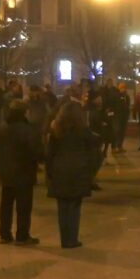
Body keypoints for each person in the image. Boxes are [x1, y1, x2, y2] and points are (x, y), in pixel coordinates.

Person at [46, 102, 97, 249]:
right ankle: (72, 239)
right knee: (74, 206)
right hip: (78, 171)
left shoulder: (56, 131)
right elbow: (93, 152)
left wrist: (50, 172)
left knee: (62, 207)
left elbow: (50, 154)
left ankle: (64, 238)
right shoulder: (83, 131)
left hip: (60, 170)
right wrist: (90, 171)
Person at [0, 99, 44, 246]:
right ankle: (22, 235)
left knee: (6, 205)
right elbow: (36, 151)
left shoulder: (2, 128)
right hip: (24, 171)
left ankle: (5, 234)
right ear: (25, 112)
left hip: (6, 171)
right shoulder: (28, 130)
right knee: (23, 206)